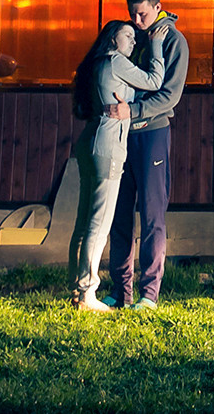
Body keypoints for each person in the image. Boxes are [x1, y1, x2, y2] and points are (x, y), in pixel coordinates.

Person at [66, 19, 170, 312]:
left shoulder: (99, 62)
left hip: (92, 140)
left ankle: (77, 289)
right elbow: (155, 81)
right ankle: (88, 293)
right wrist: (156, 46)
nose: (134, 41)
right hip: (109, 145)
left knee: (84, 221)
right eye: (128, 35)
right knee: (99, 223)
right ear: (112, 39)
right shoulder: (115, 61)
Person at [112, 0, 190, 307]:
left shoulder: (174, 41)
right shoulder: (133, 37)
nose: (137, 20)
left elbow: (170, 95)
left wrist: (134, 111)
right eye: (132, 14)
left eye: (142, 14)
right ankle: (120, 292)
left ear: (157, 7)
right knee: (119, 214)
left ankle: (149, 294)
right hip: (124, 132)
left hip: (152, 133)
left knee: (151, 215)